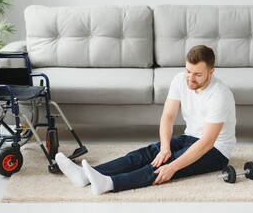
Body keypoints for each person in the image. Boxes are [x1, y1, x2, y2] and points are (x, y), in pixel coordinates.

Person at [55, 45, 236, 196]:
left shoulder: (219, 95)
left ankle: (110, 183)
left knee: (166, 165)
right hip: (190, 137)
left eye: (197, 74)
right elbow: (168, 116)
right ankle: (86, 175)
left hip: (216, 151)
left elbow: (206, 142)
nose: (190, 78)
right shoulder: (181, 80)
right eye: (188, 71)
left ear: (211, 72)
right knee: (149, 153)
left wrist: (172, 166)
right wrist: (165, 147)